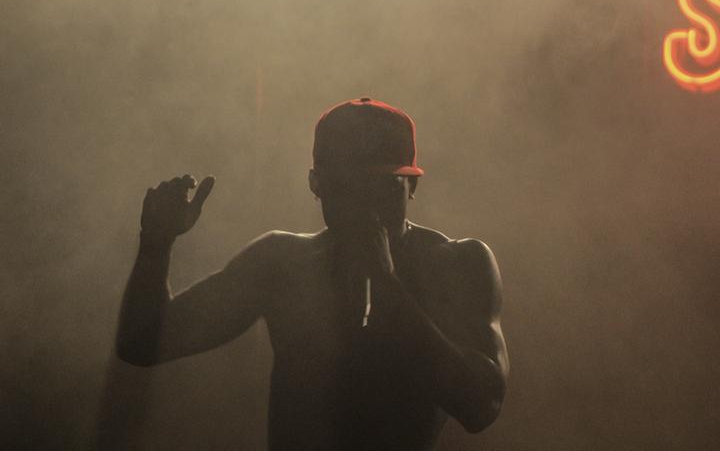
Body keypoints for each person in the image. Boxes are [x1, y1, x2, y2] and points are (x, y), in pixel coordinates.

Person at [115, 97, 509, 450]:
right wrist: (155, 246)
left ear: (411, 186)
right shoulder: (283, 262)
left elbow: (481, 405)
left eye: (382, 188)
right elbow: (142, 345)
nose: (365, 206)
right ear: (316, 184)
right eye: (348, 187)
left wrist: (384, 284)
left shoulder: (456, 263)